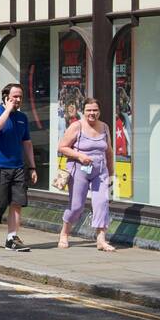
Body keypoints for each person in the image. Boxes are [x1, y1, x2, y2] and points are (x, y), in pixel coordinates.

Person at [0, 82, 38, 251]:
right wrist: (8, 111)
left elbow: (27, 143)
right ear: (6, 97)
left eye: (20, 97)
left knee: (17, 203)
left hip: (17, 166)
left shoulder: (22, 118)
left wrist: (32, 167)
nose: (18, 100)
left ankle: (11, 238)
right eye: (14, 96)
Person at [58, 98, 116, 252]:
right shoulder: (76, 126)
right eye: (89, 110)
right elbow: (62, 147)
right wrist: (79, 156)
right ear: (83, 111)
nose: (92, 113)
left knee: (102, 202)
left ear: (99, 111)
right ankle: (64, 233)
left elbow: (109, 151)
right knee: (76, 206)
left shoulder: (104, 127)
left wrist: (111, 174)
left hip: (100, 170)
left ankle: (101, 240)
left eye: (95, 110)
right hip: (79, 169)